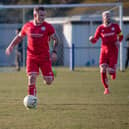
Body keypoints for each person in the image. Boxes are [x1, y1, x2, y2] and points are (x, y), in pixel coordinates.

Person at [5, 7, 58, 97]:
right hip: (31, 57)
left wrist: (54, 52)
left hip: (44, 58)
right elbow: (19, 37)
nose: (43, 17)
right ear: (35, 15)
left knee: (48, 81)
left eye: (44, 15)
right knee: (31, 78)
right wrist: (11, 46)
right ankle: (32, 99)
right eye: (41, 15)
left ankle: (50, 74)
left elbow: (57, 40)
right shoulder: (27, 26)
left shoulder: (48, 27)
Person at [89, 11, 123, 95]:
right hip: (104, 51)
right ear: (103, 17)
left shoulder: (115, 26)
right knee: (102, 68)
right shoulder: (100, 28)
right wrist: (91, 39)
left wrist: (118, 41)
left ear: (110, 17)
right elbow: (95, 40)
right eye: (105, 16)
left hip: (113, 51)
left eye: (108, 16)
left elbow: (121, 35)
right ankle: (106, 89)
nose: (107, 17)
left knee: (111, 71)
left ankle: (113, 71)